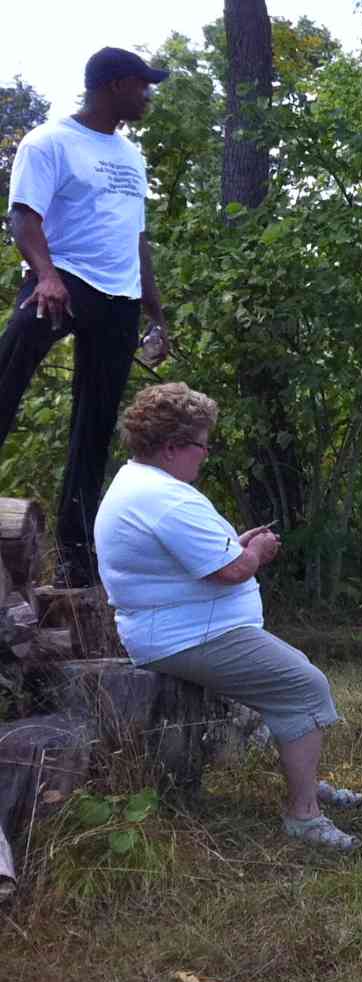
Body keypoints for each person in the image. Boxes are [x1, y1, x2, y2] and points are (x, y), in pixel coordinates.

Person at [94, 383, 362, 850]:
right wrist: (254, 552)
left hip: (181, 628)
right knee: (304, 685)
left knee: (290, 680)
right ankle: (304, 814)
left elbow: (196, 560)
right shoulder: (165, 498)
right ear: (172, 446)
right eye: (201, 444)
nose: (205, 453)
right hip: (186, 636)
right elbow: (230, 571)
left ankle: (305, 779)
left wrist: (234, 547)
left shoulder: (143, 484)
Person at [1, 48, 173, 587]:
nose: (149, 95)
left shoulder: (130, 156)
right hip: (64, 282)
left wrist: (156, 313)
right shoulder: (49, 141)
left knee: (94, 428)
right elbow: (22, 217)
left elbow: (136, 238)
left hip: (119, 299)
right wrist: (47, 277)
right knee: (6, 378)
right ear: (117, 85)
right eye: (144, 85)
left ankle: (76, 566)